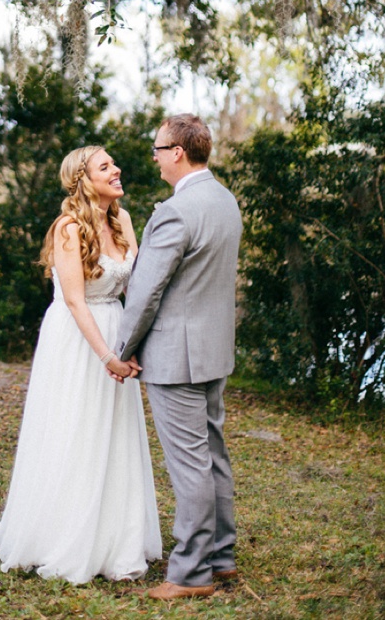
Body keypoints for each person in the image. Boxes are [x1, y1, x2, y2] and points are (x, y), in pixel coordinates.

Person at [0, 145, 162, 584]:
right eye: (105, 166)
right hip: (78, 340)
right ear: (83, 179)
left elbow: (138, 285)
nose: (117, 170)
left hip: (117, 327)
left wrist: (133, 343)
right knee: (75, 428)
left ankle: (117, 536)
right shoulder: (68, 228)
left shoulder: (123, 220)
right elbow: (76, 300)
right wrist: (107, 356)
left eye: (113, 164)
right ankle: (61, 534)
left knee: (113, 432)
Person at [116, 114, 242, 603]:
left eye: (156, 149)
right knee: (212, 456)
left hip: (175, 356)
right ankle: (222, 557)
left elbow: (146, 292)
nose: (153, 158)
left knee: (190, 466)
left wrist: (120, 351)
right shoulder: (224, 201)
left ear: (176, 153)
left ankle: (191, 573)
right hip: (213, 351)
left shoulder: (175, 212)